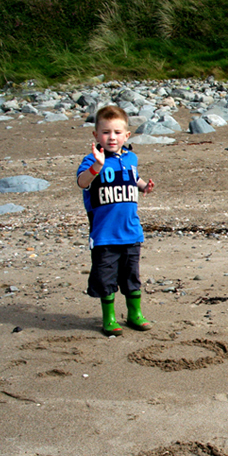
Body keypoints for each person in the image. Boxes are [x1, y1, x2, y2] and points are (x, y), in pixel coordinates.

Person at [77, 105, 155, 336]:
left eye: (117, 132)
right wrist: (96, 166)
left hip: (131, 231)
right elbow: (82, 182)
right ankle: (109, 318)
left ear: (126, 135)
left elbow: (134, 177)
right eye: (106, 132)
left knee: (132, 276)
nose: (112, 137)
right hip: (105, 235)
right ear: (96, 135)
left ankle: (134, 314)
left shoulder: (131, 157)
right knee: (106, 278)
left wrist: (144, 187)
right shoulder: (92, 159)